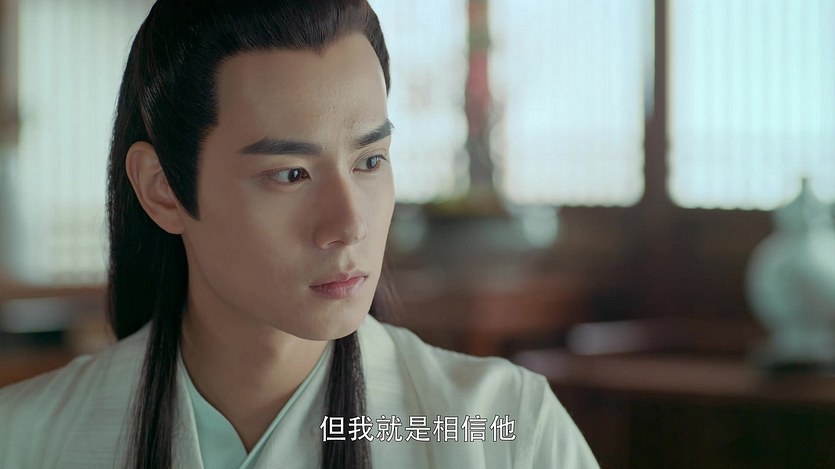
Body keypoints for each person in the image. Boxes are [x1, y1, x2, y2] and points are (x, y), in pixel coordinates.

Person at [0, 1, 598, 468]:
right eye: (290, 174)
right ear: (162, 189)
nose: (349, 224)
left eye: (369, 161)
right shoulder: (25, 439)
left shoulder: (503, 430)